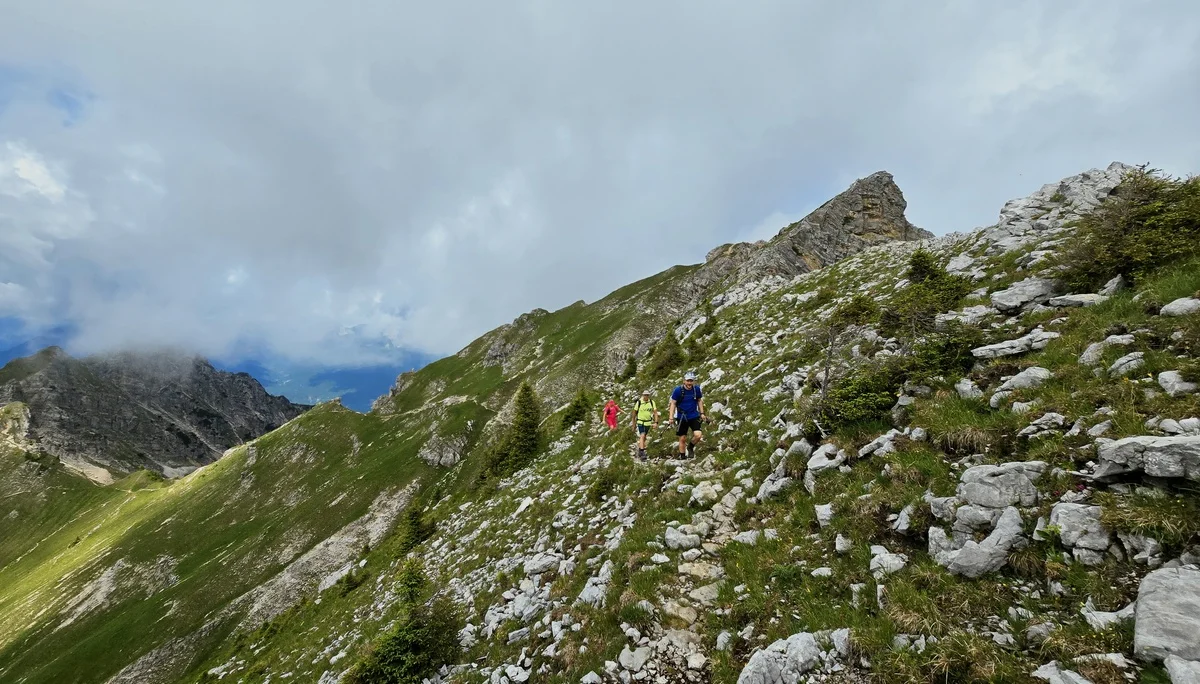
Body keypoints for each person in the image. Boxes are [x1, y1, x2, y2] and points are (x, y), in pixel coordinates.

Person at [667, 371, 706, 458]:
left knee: (698, 435)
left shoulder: (696, 389)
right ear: (684, 381)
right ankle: (683, 457)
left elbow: (699, 400)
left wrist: (702, 413)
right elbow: (673, 403)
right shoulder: (678, 390)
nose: (689, 383)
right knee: (682, 438)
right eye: (688, 381)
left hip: (694, 415)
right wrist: (671, 417)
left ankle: (690, 447)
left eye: (691, 381)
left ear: (693, 381)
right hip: (682, 417)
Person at [631, 389, 659, 461]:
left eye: (647, 395)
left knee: (644, 436)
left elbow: (655, 412)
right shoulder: (639, 402)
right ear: (642, 395)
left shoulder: (652, 402)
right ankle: (642, 452)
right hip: (640, 422)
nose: (646, 396)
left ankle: (640, 449)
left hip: (648, 422)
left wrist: (656, 422)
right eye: (644, 395)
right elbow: (634, 413)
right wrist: (633, 424)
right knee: (642, 435)